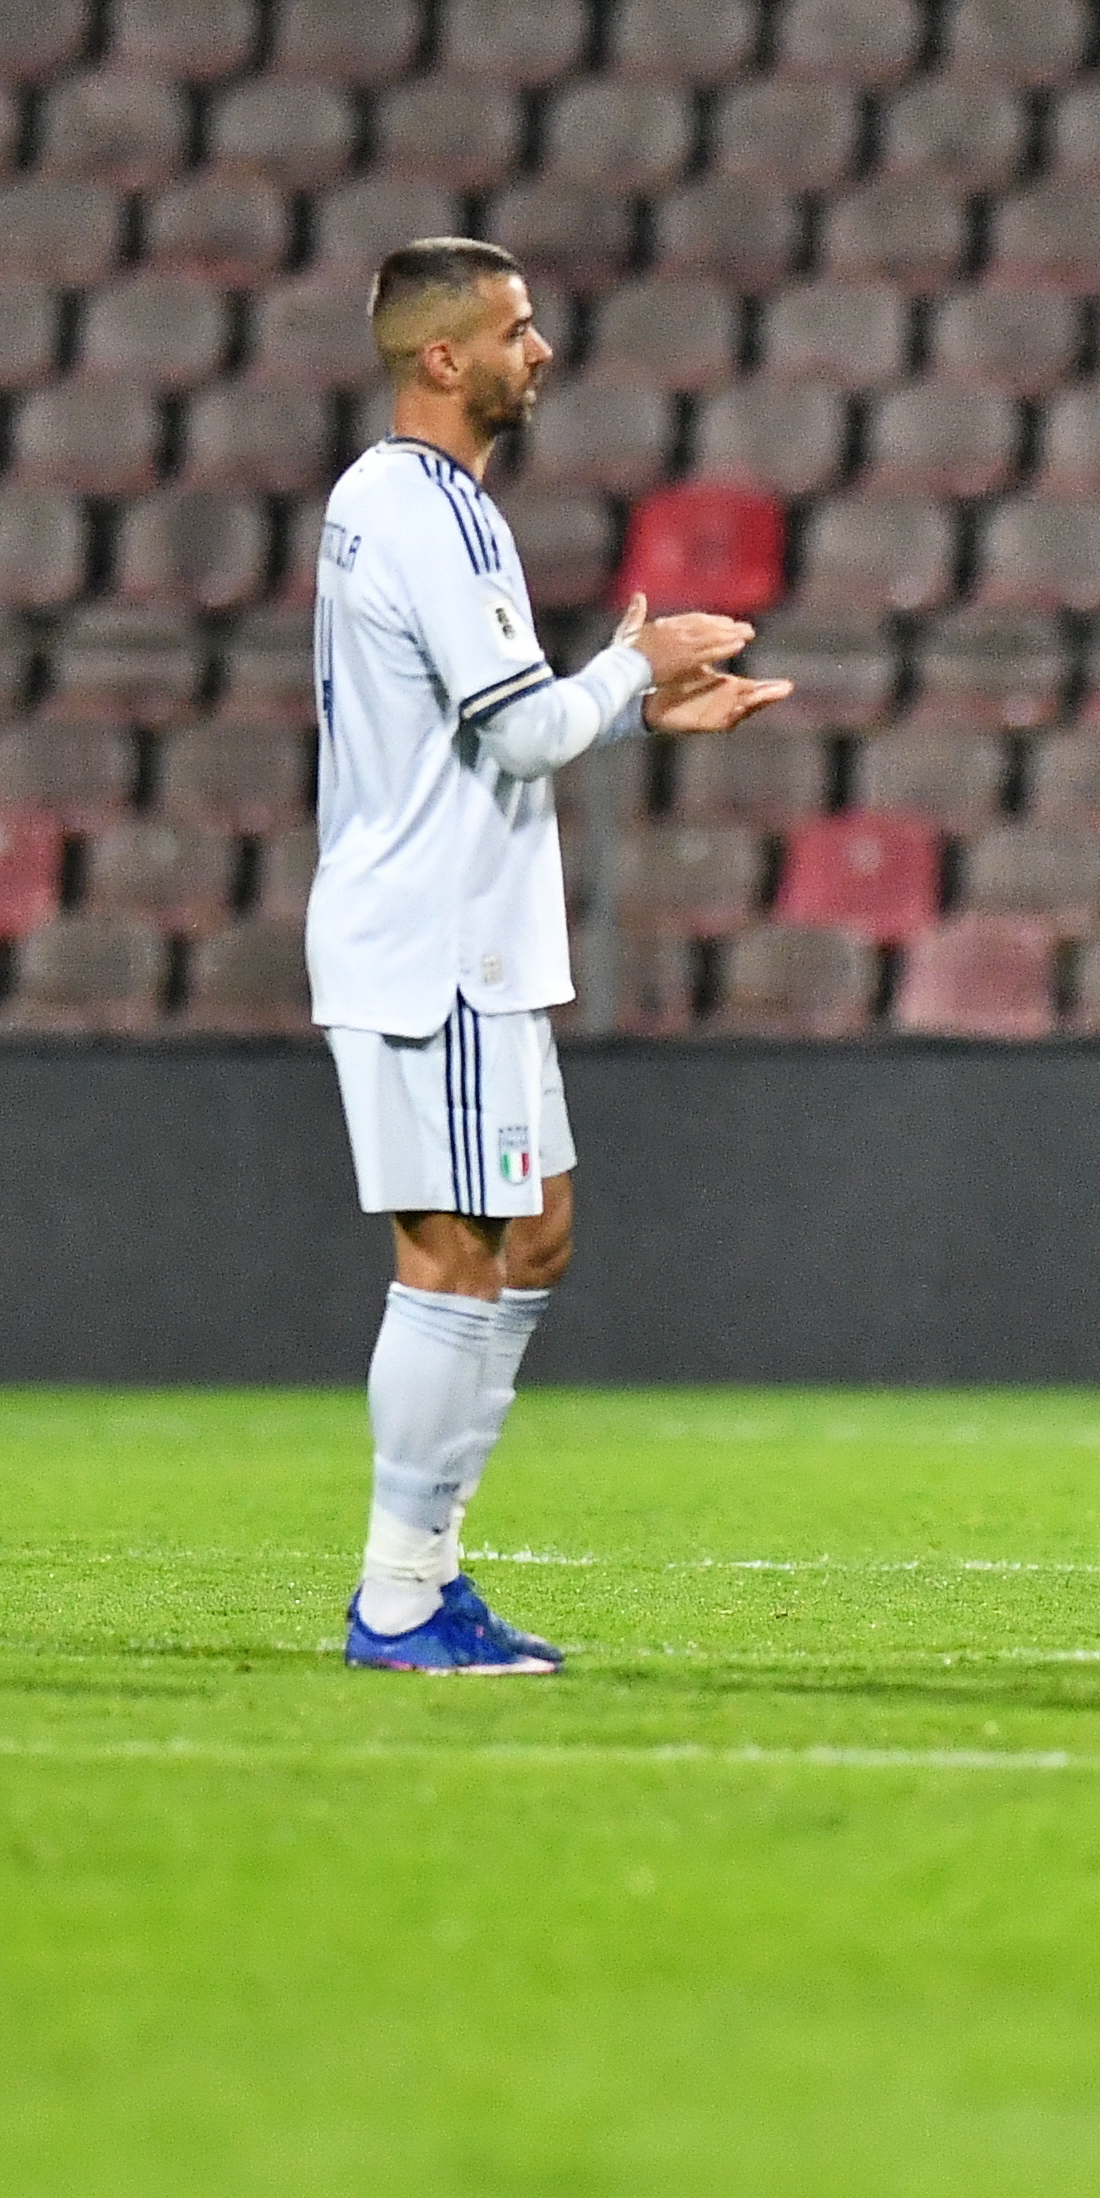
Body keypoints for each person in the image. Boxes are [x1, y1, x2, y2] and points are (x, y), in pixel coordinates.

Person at [308, 238, 786, 1674]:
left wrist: (631, 707)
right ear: (441, 358)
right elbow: (520, 728)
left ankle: (429, 1571)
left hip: (475, 941)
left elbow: (507, 718)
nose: (544, 351)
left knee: (537, 1230)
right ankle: (399, 1593)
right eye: (518, 331)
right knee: (450, 1255)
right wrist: (632, 673)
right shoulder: (423, 511)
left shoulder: (419, 504)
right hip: (432, 937)